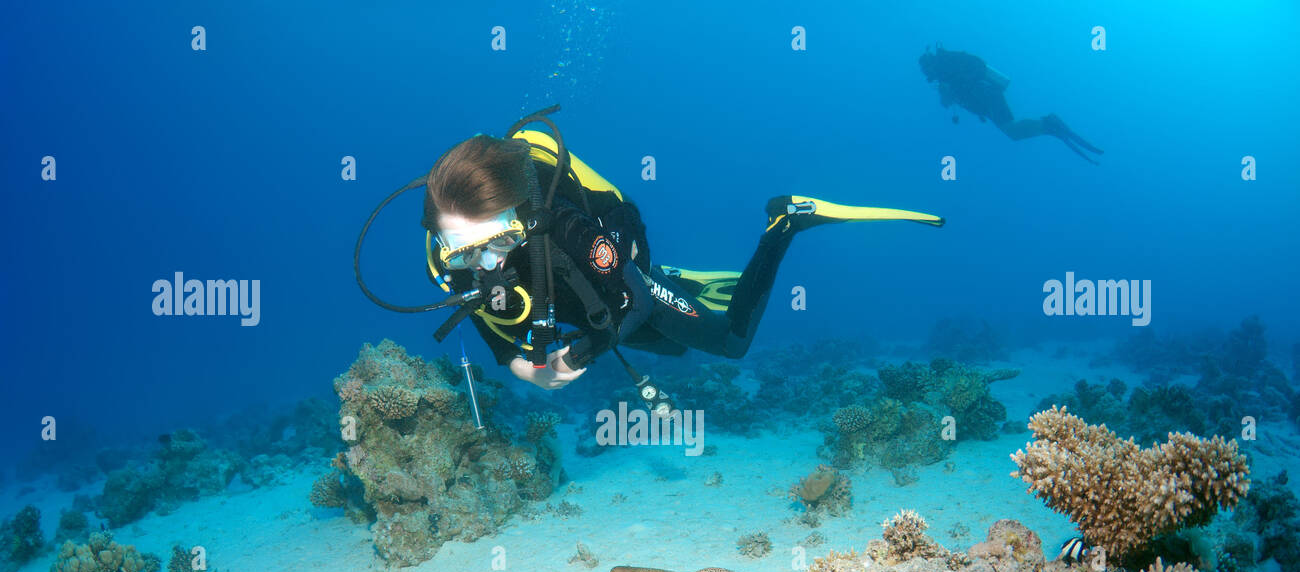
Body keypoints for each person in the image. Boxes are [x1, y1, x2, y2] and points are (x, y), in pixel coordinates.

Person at [419, 112, 944, 392]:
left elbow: (636, 306)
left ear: (524, 220)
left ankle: (785, 221)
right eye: (463, 251)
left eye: (500, 243)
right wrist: (525, 370)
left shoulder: (569, 231)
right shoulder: (446, 256)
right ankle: (679, 284)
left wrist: (586, 352)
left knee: (729, 343)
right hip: (577, 292)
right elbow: (491, 326)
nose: (483, 265)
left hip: (618, 269)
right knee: (672, 350)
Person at [918, 44, 1103, 164]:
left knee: (1012, 130)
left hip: (987, 95)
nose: (928, 76)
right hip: (987, 99)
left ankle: (1049, 124)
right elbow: (949, 101)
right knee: (1013, 132)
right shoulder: (947, 75)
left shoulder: (948, 68)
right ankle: (1049, 127)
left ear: (931, 65)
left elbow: (973, 71)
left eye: (927, 71)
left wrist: (950, 88)